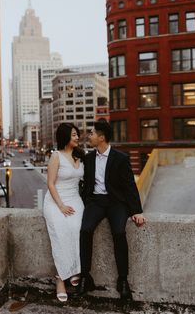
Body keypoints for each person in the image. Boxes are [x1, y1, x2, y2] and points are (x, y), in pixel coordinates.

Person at [77, 119, 146, 300]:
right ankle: (85, 276)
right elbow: (84, 183)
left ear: (101, 137)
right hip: (96, 202)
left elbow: (130, 186)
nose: (89, 136)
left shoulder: (121, 158)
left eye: (92, 133)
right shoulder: (88, 157)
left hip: (116, 202)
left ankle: (123, 279)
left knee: (118, 232)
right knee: (85, 230)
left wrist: (136, 211)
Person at [43, 123, 84, 302]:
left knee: (76, 229)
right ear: (65, 136)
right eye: (74, 135)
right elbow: (51, 183)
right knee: (60, 232)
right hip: (56, 200)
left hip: (75, 199)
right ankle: (61, 279)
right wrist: (60, 206)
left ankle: (74, 269)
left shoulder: (81, 155)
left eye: (77, 135)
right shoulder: (56, 156)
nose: (77, 138)